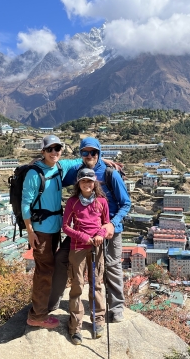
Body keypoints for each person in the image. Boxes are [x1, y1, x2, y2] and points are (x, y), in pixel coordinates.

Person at [49, 137, 131, 323]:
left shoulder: (111, 174)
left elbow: (126, 203)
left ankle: (116, 307)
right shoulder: (77, 171)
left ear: (99, 153)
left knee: (111, 265)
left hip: (110, 229)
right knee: (61, 258)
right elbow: (56, 171)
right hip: (82, 231)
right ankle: (52, 302)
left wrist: (111, 223)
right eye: (84, 152)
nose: (89, 156)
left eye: (93, 152)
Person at [22, 135, 81, 329]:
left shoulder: (59, 167)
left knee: (48, 268)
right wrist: (30, 232)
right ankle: (37, 316)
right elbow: (25, 205)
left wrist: (102, 158)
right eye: (50, 149)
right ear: (43, 152)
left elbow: (82, 160)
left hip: (54, 228)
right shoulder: (34, 173)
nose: (54, 152)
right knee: (44, 270)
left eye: (58, 149)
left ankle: (40, 309)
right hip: (41, 231)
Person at [62, 168, 109, 345]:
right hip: (78, 247)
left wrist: (100, 234)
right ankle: (75, 326)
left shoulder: (102, 202)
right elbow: (65, 226)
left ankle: (98, 321)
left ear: (95, 183)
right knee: (77, 286)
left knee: (96, 284)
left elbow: (106, 223)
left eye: (90, 181)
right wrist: (83, 237)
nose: (87, 184)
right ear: (78, 183)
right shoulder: (72, 202)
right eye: (83, 181)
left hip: (97, 247)